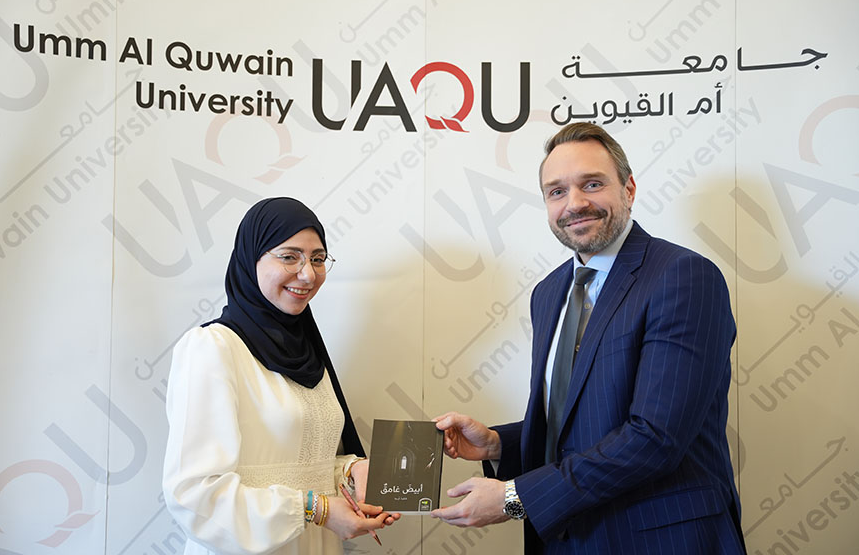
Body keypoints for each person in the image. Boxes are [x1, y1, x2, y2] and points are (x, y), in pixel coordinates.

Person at [431, 123, 746, 554]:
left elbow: (656, 437)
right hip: (566, 539)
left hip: (660, 540)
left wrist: (514, 497)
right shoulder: (548, 293)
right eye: (556, 191)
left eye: (592, 184)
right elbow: (582, 419)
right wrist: (499, 443)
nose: (574, 203)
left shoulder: (683, 277)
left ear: (629, 189)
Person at [163, 197, 398, 555]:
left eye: (318, 259)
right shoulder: (213, 348)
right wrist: (313, 509)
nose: (308, 274)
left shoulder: (308, 354)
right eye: (289, 257)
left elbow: (301, 461)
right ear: (250, 259)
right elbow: (193, 494)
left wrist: (350, 473)